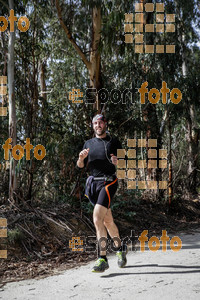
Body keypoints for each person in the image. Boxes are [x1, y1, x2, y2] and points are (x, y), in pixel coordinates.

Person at [77, 114, 127, 273]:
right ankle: (120, 248)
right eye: (95, 123)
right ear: (92, 125)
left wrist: (118, 162)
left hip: (109, 182)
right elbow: (80, 166)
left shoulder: (113, 141)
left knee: (97, 217)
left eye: (100, 123)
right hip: (93, 184)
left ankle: (102, 259)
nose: (98, 125)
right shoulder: (88, 143)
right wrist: (80, 158)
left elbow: (126, 162)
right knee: (108, 222)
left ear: (105, 124)